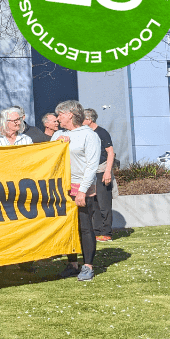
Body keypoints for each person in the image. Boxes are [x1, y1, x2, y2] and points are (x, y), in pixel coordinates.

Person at [52, 100, 100, 282]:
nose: (57, 118)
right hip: (61, 188)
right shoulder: (58, 134)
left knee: (84, 227)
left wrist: (82, 191)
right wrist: (57, 144)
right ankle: (72, 264)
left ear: (70, 114)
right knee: (67, 228)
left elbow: (92, 165)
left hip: (81, 187)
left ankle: (88, 266)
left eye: (60, 115)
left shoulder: (89, 136)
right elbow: (49, 156)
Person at [84, 109, 116, 242]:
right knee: (93, 203)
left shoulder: (102, 133)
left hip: (102, 170)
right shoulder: (86, 133)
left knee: (104, 203)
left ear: (90, 119)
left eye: (82, 119)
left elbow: (111, 153)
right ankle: (96, 231)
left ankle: (106, 232)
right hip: (90, 172)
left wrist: (107, 171)